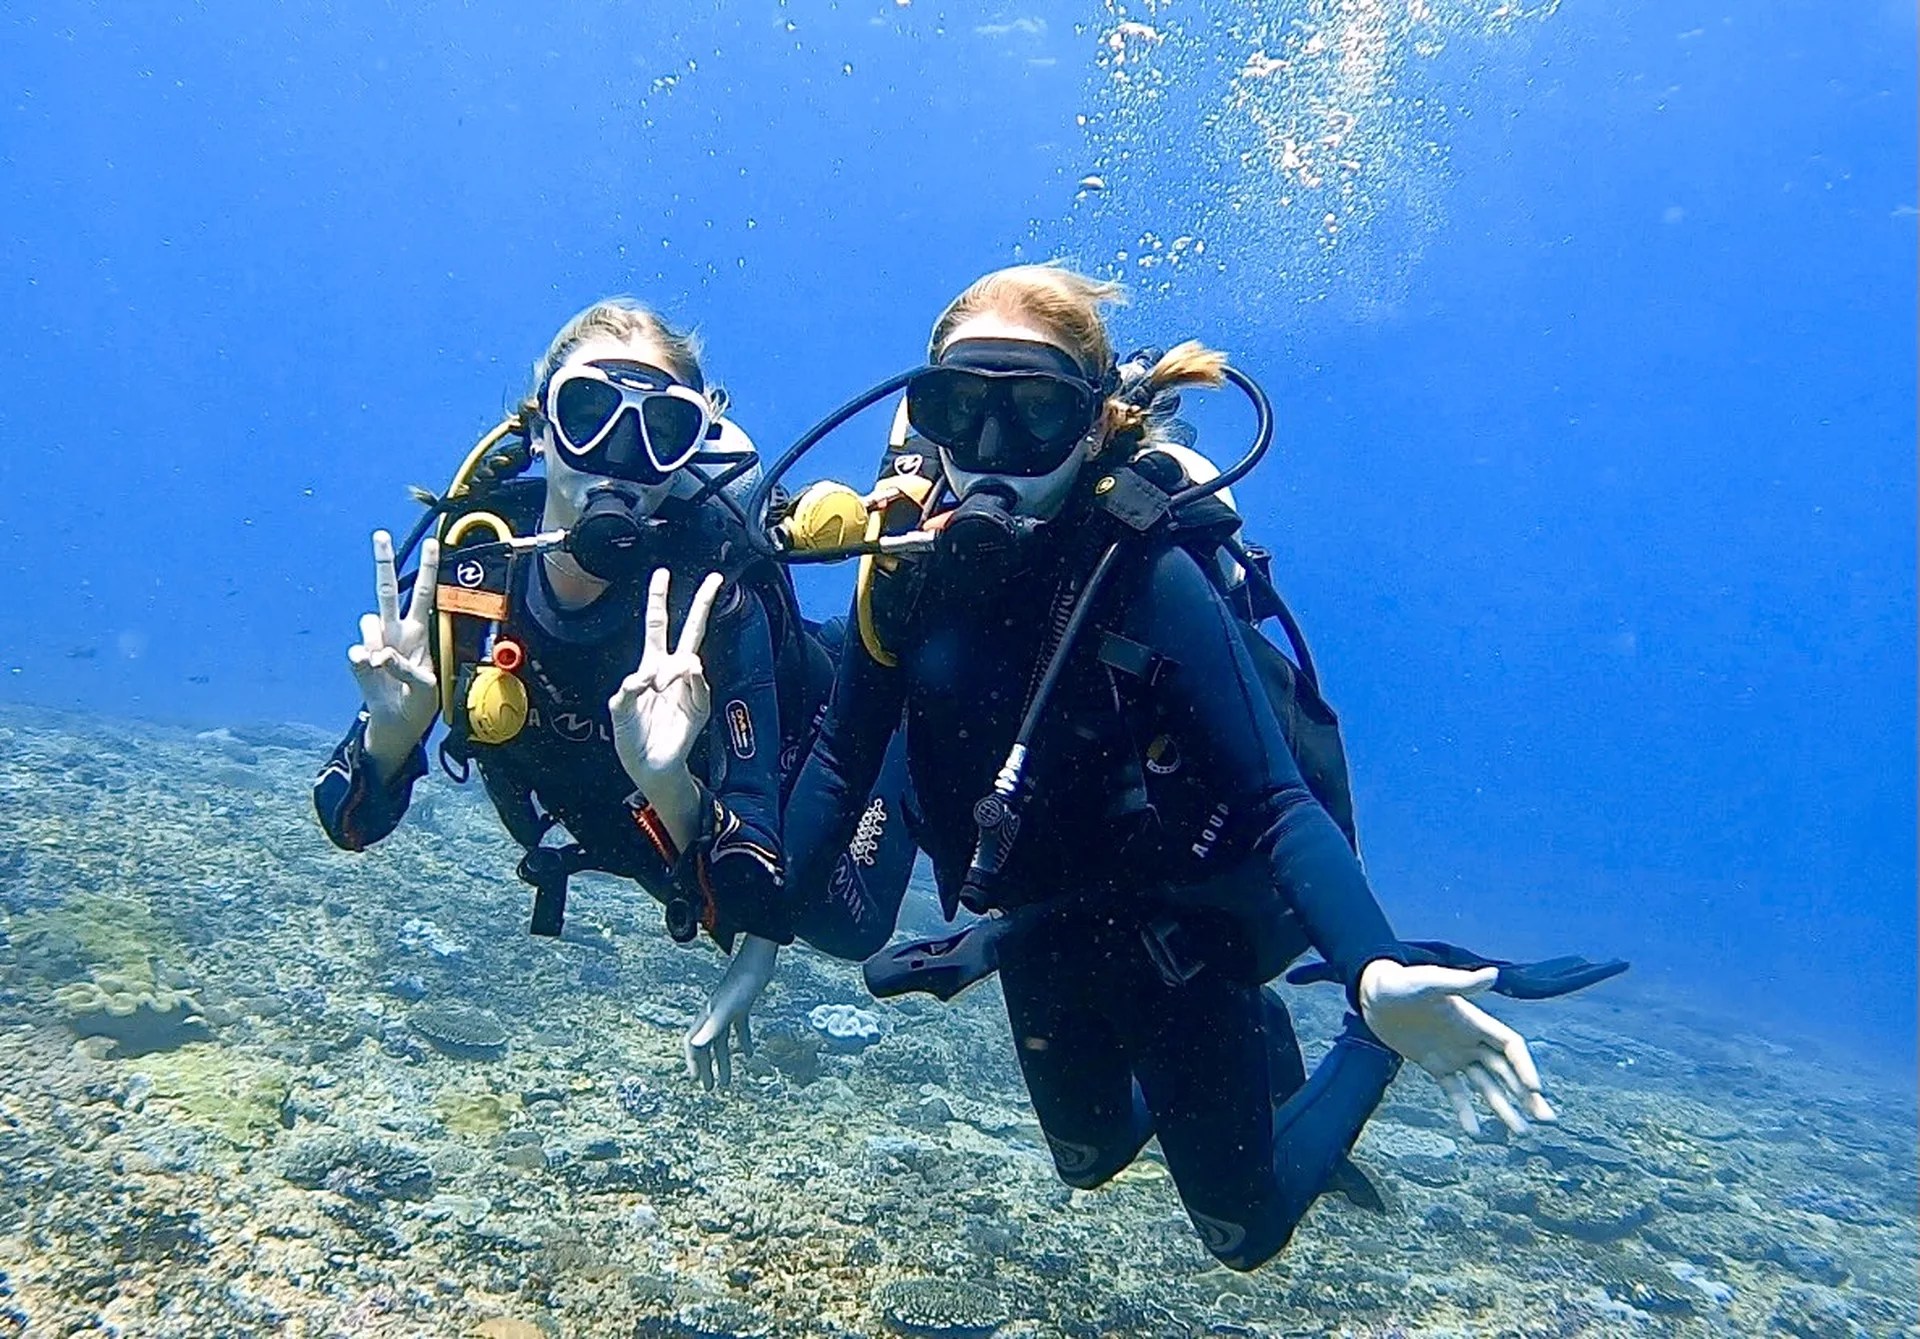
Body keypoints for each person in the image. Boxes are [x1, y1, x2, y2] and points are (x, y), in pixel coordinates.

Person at [625, 264, 1625, 1267]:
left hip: (1177, 920)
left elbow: (1277, 805)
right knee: (1087, 1158)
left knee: (1245, 1230)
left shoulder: (1145, 572)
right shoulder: (904, 566)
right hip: (1044, 917)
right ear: (921, 421)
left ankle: (1383, 1016)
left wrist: (1372, 972)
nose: (992, 455)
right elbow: (841, 764)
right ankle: (1263, 1047)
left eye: (1036, 418)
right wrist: (681, 798)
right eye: (961, 411)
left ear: (1097, 425)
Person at [312, 298, 914, 1087]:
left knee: (845, 922)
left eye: (660, 431)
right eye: (589, 412)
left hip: (819, 720)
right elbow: (347, 823)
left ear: (688, 451)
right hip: (636, 828)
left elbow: (749, 867)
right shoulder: (470, 576)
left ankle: (902, 651)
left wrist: (671, 785)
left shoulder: (716, 590)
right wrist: (393, 737)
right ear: (540, 427)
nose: (617, 459)